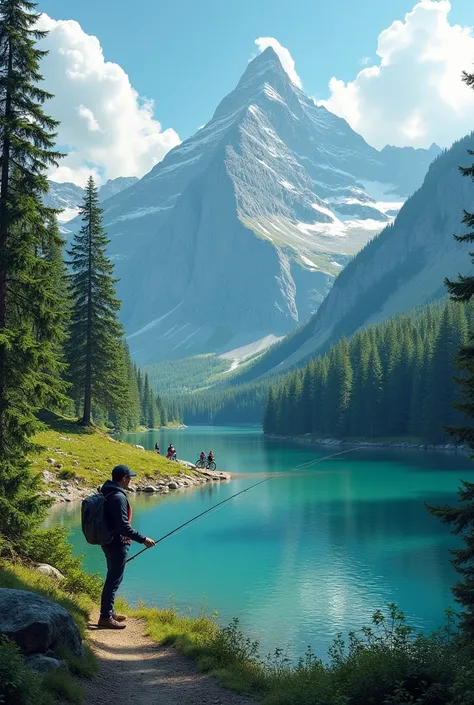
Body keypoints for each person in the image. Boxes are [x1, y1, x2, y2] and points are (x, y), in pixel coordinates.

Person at [98, 465, 155, 629]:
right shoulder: (118, 497)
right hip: (117, 543)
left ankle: (109, 611)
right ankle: (105, 617)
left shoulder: (107, 491)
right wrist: (143, 539)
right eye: (129, 477)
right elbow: (123, 527)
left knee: (113, 577)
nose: (131, 480)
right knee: (113, 580)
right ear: (123, 478)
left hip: (108, 541)